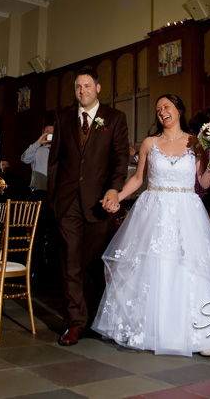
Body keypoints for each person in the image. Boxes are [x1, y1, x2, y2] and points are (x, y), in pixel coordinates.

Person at [91, 94, 210, 357]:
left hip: (187, 211)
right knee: (154, 268)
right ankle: (150, 330)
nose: (162, 112)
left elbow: (202, 182)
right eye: (158, 109)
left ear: (178, 110)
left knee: (189, 269)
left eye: (166, 107)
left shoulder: (195, 143)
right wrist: (117, 196)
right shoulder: (149, 143)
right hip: (154, 209)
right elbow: (138, 178)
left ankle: (199, 335)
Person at [48, 66, 129, 346]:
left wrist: (114, 189)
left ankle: (93, 318)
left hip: (99, 203)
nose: (82, 91)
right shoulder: (63, 118)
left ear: (98, 88)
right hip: (67, 202)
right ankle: (75, 322)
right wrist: (55, 199)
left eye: (86, 86)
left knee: (93, 265)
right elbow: (55, 161)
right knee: (70, 264)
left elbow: (120, 158)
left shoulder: (115, 119)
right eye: (77, 87)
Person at [21, 124, 57, 280]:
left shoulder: (60, 151)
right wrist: (38, 143)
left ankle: (53, 269)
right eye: (47, 132)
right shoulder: (37, 151)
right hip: (40, 195)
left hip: (57, 196)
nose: (49, 135)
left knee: (55, 234)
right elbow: (24, 158)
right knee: (39, 233)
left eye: (52, 133)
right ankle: (36, 269)